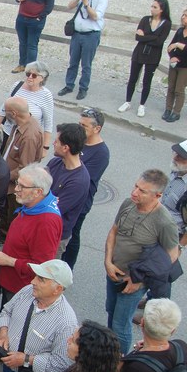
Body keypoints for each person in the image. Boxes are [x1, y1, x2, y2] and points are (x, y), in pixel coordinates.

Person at [104, 170, 178, 353]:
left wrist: (139, 281)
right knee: (111, 312)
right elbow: (114, 232)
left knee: (120, 324)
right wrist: (107, 261)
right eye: (136, 186)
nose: (135, 192)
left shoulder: (165, 223)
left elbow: (171, 258)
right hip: (113, 272)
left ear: (158, 195)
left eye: (142, 191)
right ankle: (107, 352)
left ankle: (117, 364)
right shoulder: (129, 203)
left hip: (134, 281)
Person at [0, 164, 62, 306]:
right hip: (12, 283)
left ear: (38, 192)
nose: (16, 189)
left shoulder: (46, 222)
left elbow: (42, 266)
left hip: (21, 291)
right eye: (18, 183)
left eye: (22, 186)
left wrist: (9, 261)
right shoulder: (33, 206)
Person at [62, 108, 110, 269]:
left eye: (84, 126)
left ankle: (68, 267)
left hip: (80, 202)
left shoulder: (101, 153)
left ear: (97, 129)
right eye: (79, 124)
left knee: (72, 235)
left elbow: (83, 178)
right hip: (63, 194)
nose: (80, 128)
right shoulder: (79, 141)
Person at [0, 97, 44, 235]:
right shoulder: (18, 124)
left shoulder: (29, 136)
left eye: (5, 111)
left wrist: (2, 175)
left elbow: (25, 169)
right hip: (7, 182)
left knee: (9, 220)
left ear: (14, 113)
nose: (4, 113)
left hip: (14, 189)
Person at [118, 0, 171, 117]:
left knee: (147, 81)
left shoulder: (166, 23)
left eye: (155, 7)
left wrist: (145, 36)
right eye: (151, 6)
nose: (152, 9)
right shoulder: (145, 19)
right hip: (139, 53)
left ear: (162, 9)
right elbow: (138, 37)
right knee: (133, 78)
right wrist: (152, 37)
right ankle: (127, 101)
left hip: (153, 56)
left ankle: (142, 105)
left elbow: (160, 41)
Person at [57, 0, 109, 100]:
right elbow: (69, 6)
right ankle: (69, 85)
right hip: (77, 34)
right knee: (73, 62)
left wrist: (86, 4)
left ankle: (83, 88)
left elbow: (95, 16)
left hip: (91, 35)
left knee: (86, 64)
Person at [46, 123, 90, 257]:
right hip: (41, 227)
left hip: (54, 237)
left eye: (57, 141)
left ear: (65, 148)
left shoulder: (78, 182)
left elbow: (52, 210)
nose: (53, 143)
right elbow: (37, 188)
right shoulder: (55, 163)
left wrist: (42, 197)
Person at [0, 61, 54, 152]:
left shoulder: (46, 96)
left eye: (34, 75)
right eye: (28, 74)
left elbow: (48, 123)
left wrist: (45, 148)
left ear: (42, 78)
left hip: (27, 139)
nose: (30, 77)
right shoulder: (17, 85)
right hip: (7, 133)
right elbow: (4, 108)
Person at [13, 0, 55, 73]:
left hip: (35, 20)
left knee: (32, 45)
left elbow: (50, 5)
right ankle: (22, 64)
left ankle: (30, 69)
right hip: (22, 17)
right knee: (22, 43)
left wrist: (39, 18)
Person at [164, 8, 187, 123]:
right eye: (183, 15)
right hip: (174, 63)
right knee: (171, 87)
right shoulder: (179, 32)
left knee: (179, 89)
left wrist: (178, 45)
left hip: (185, 66)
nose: (183, 17)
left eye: (186, 16)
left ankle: (176, 112)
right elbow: (170, 47)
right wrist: (172, 55)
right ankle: (168, 109)